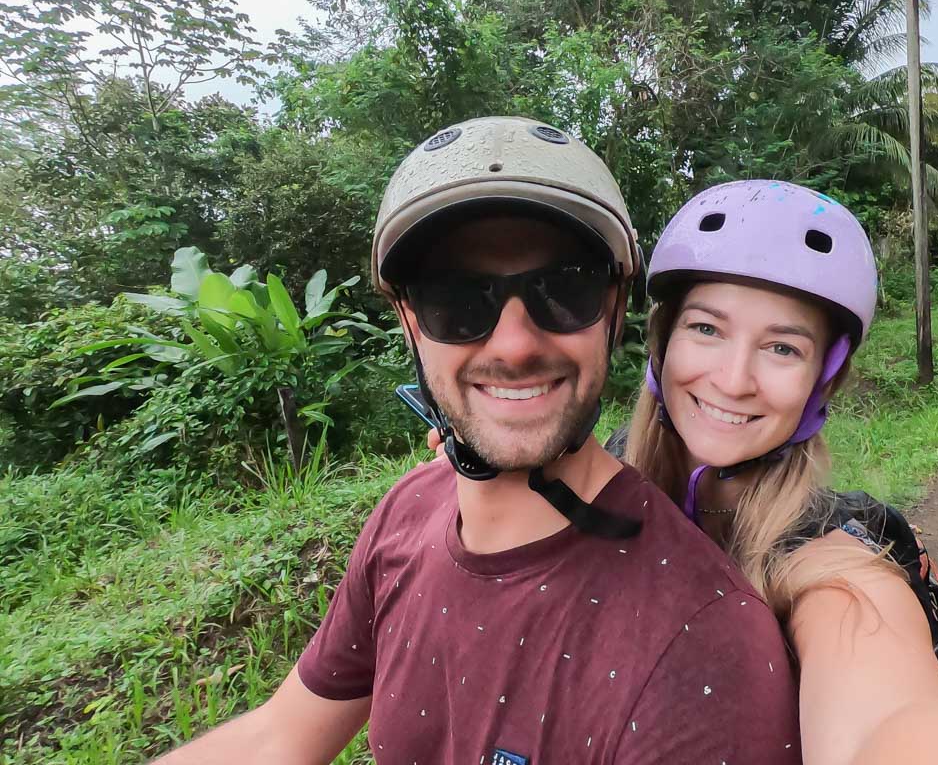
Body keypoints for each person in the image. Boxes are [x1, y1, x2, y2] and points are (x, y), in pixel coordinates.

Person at [152, 118, 801, 764]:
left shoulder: (704, 647)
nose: (514, 345)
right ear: (410, 322)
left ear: (613, 306)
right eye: (456, 299)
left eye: (563, 287)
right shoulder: (405, 515)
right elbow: (280, 736)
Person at [619, 180, 938, 764]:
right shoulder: (603, 478)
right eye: (706, 329)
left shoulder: (829, 550)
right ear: (662, 340)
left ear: (823, 380)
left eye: (782, 348)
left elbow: (894, 716)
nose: (733, 379)